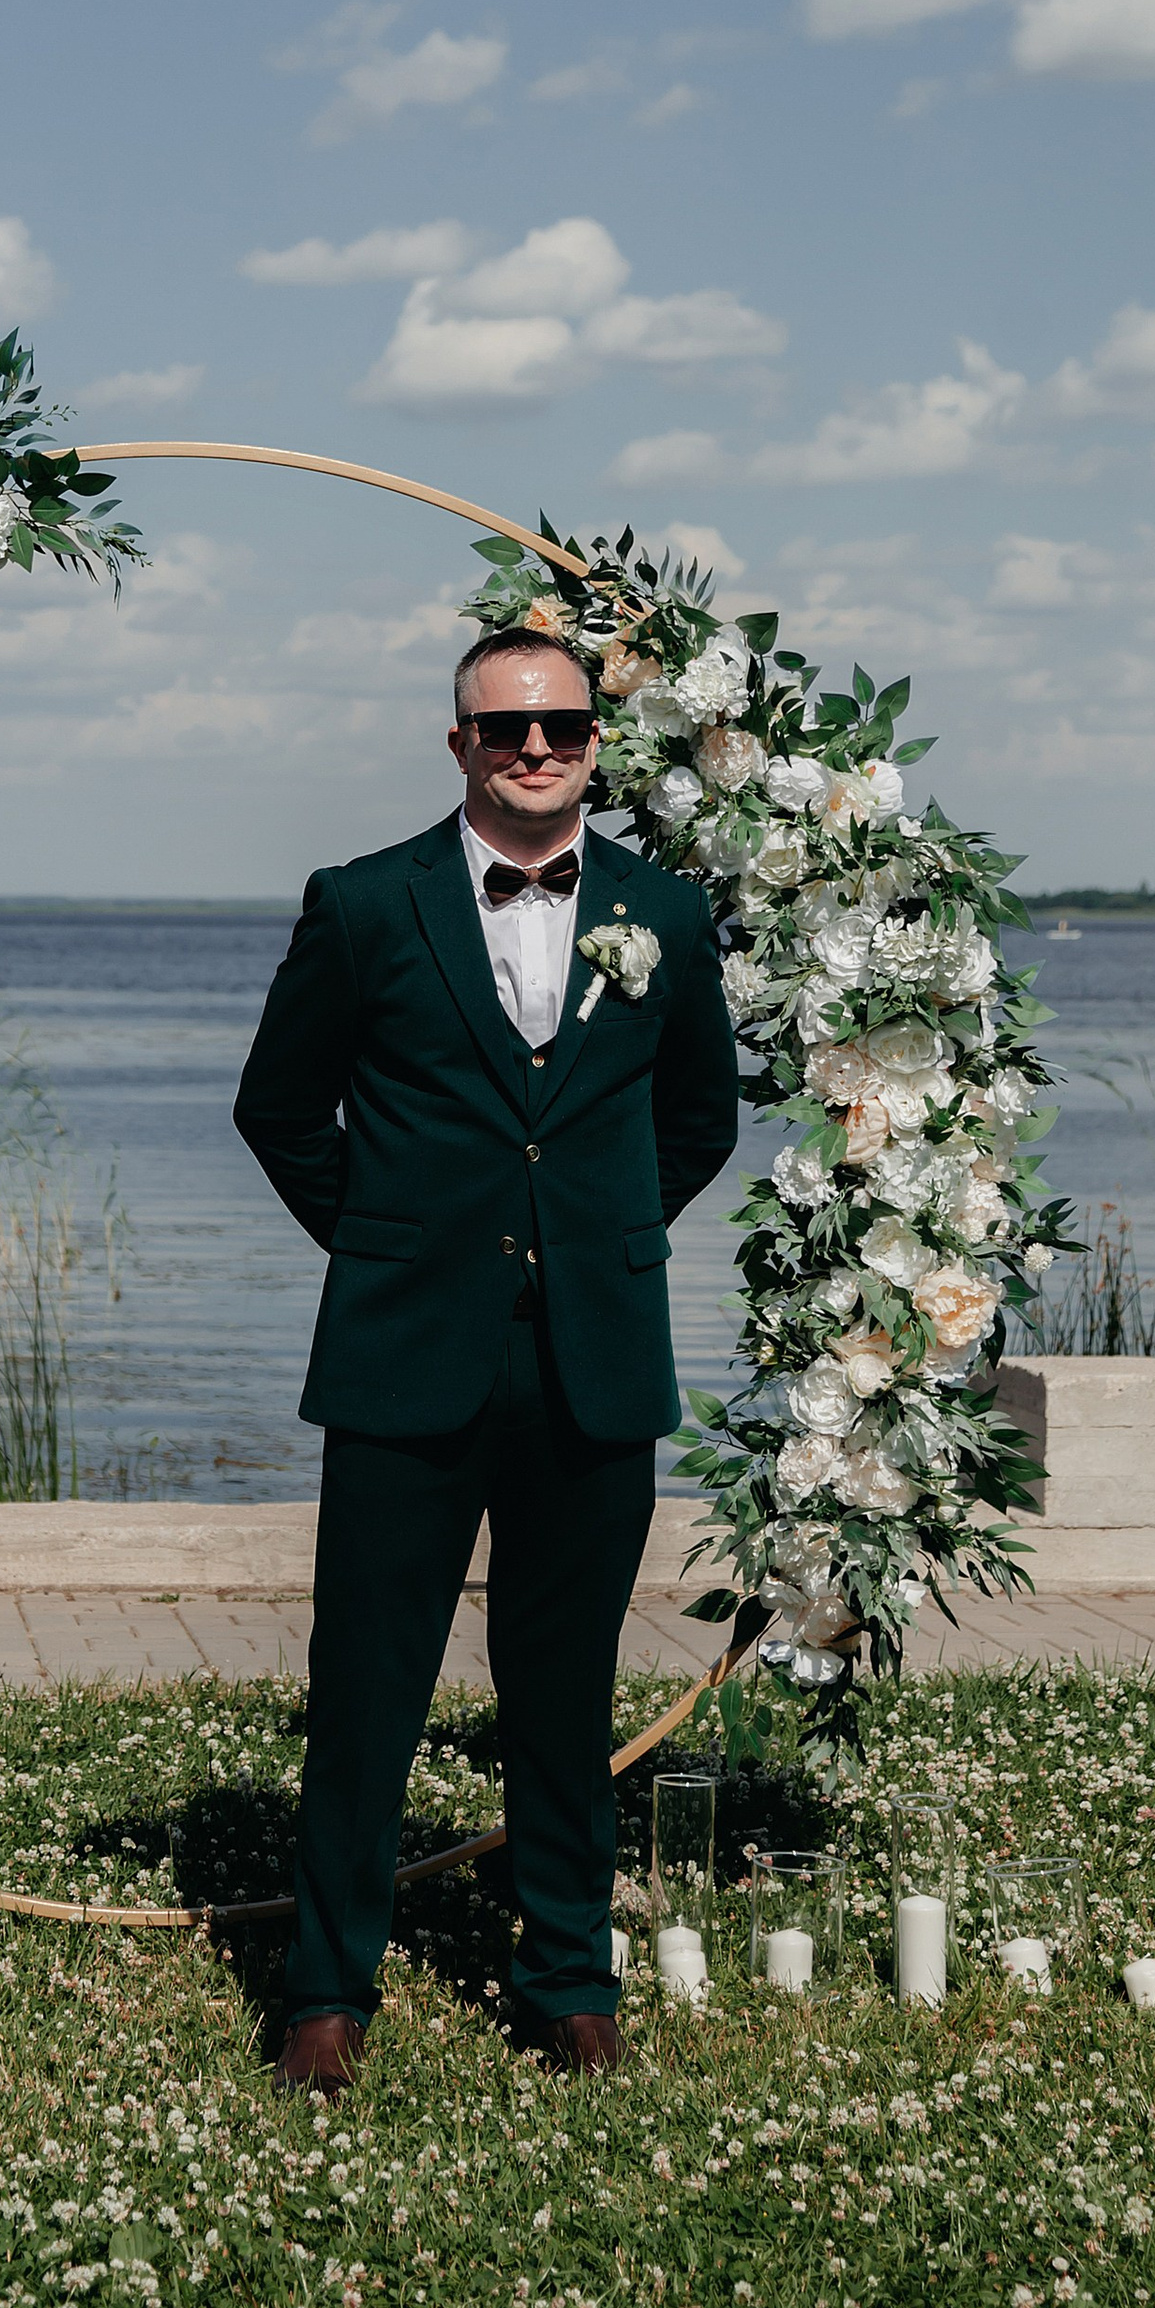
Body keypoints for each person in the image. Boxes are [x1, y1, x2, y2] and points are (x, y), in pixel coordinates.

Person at [232, 622, 740, 2093]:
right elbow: (281, 1109)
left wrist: (602, 1237)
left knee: (564, 1684)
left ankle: (568, 1978)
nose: (536, 749)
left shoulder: (668, 914)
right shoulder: (364, 903)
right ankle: (327, 1991)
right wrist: (390, 1245)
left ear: (598, 741)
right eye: (505, 729)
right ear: (458, 742)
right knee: (367, 1679)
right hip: (407, 1354)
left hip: (595, 1355)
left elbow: (697, 1120)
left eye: (563, 727)